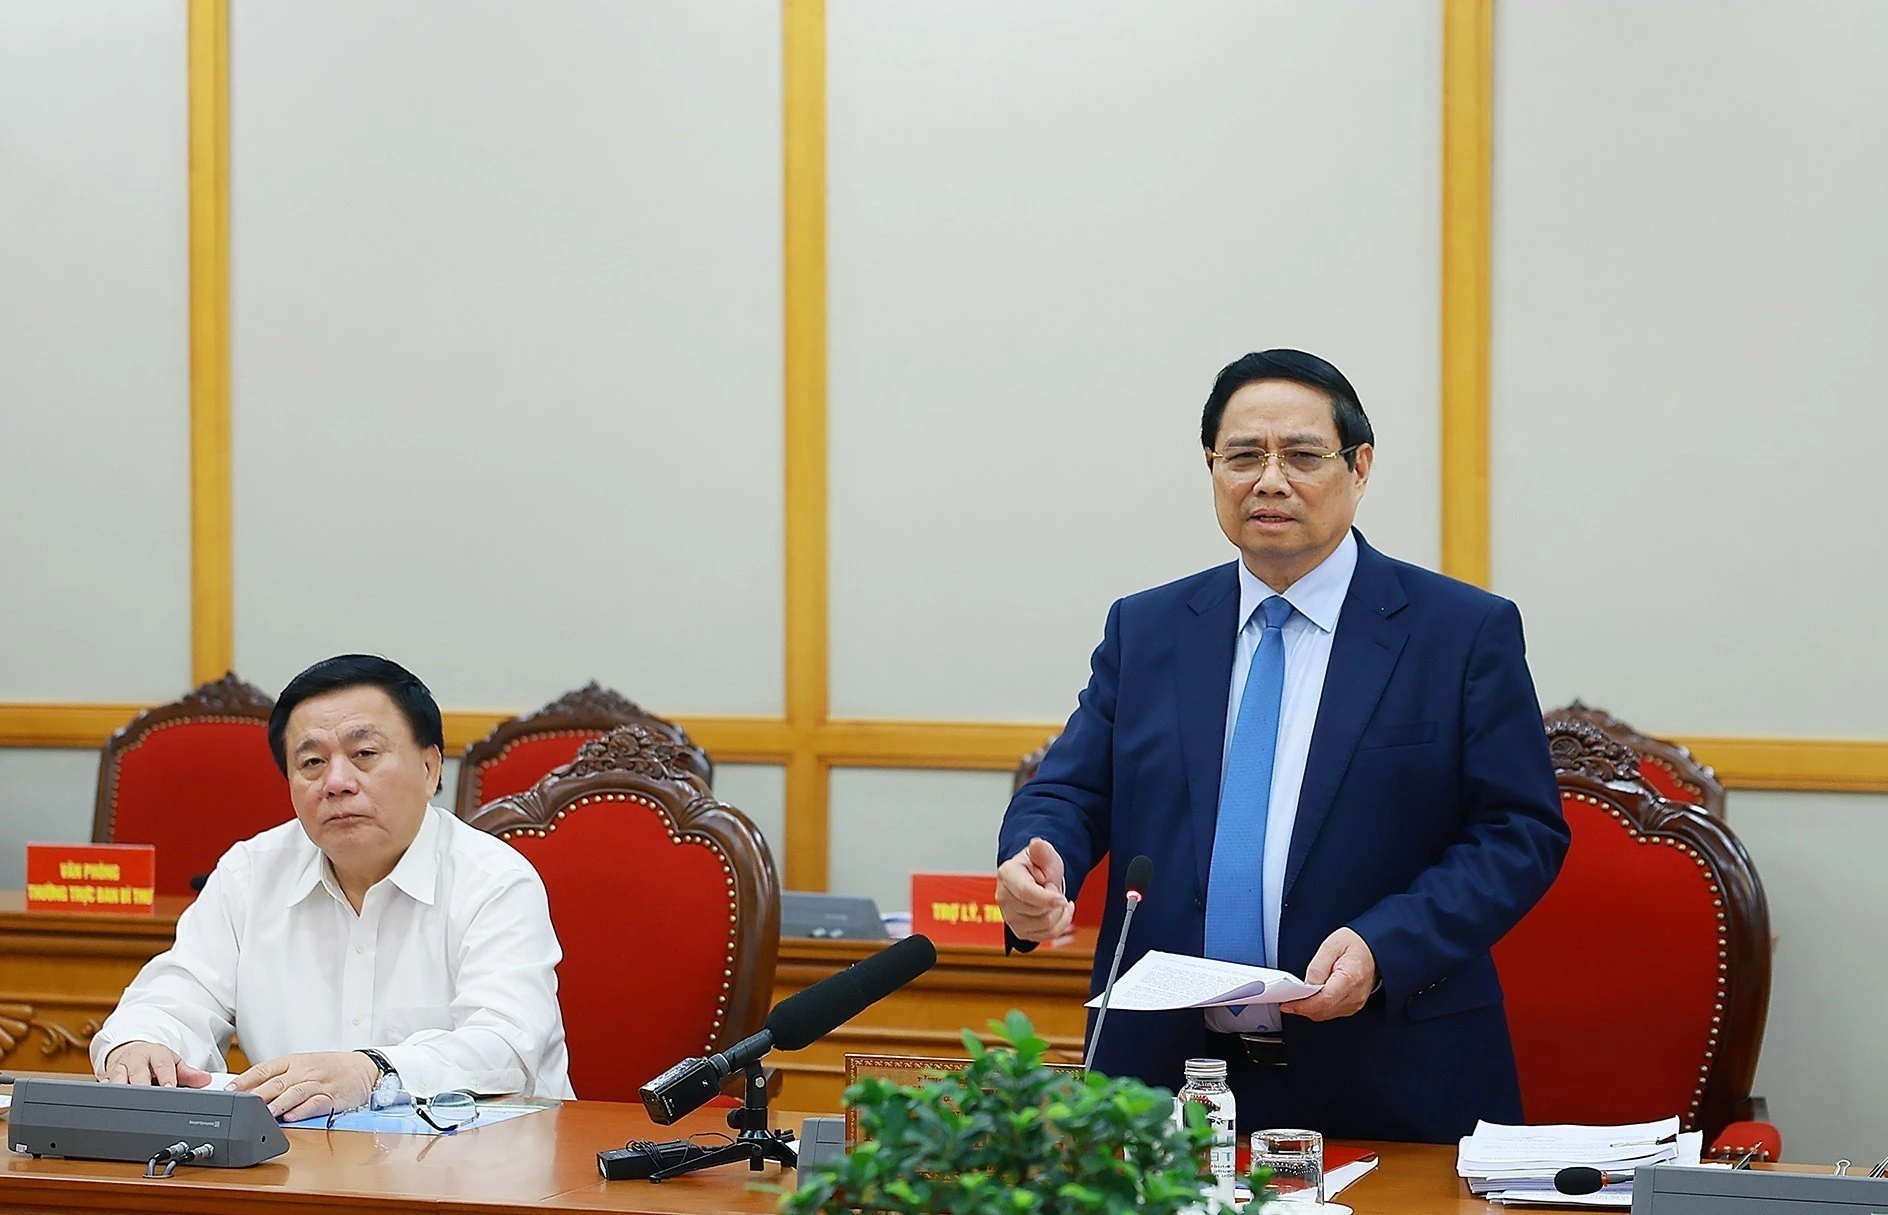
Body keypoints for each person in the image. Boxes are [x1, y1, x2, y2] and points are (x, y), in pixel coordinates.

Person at [995, 349, 1570, 1142]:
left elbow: (1520, 834)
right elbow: (1072, 788)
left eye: (1302, 455)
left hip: (1388, 1072)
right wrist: (1038, 854)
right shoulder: (1149, 628)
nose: (1269, 480)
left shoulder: (1461, 632)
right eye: (1242, 457)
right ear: (1212, 468)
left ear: (1359, 466)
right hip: (1167, 1082)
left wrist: (1383, 945)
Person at [90, 654, 574, 1119]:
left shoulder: (494, 881)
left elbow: (508, 1046)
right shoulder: (250, 874)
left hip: (480, 1171)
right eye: (312, 763)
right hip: (298, 1170)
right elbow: (174, 997)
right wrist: (142, 1043)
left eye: (364, 754)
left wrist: (373, 1071)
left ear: (430, 769)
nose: (337, 782)